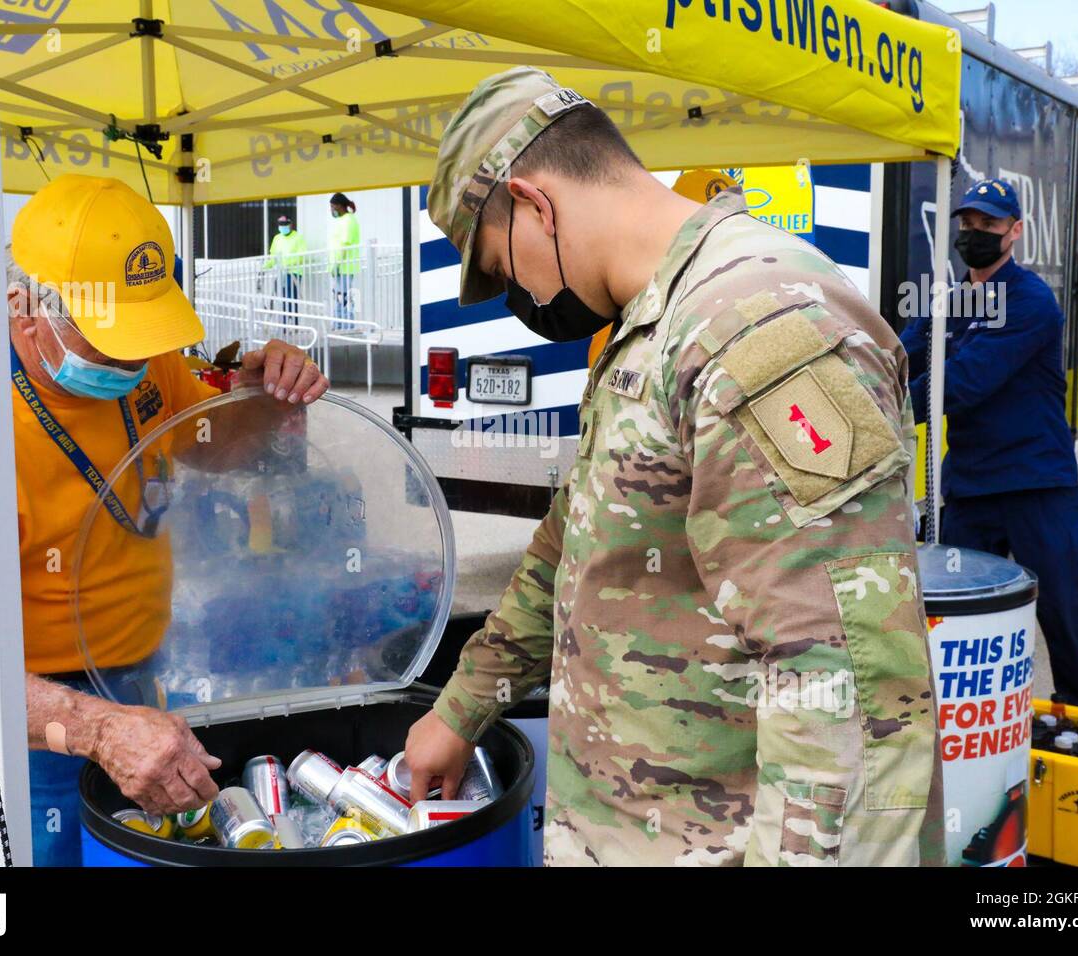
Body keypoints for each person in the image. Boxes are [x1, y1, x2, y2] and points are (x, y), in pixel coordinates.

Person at [402, 67, 945, 866]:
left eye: (499, 266)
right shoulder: (648, 322)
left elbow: (851, 694)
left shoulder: (751, 327)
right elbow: (575, 543)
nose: (514, 295)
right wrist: (462, 708)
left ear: (533, 204)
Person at [0, 174, 330, 866]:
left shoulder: (144, 362)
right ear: (23, 307)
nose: (133, 360)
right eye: (109, 337)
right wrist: (96, 730)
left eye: (143, 338)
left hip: (138, 681)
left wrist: (266, 397)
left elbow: (210, 446)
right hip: (17, 718)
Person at [901, 178, 1078, 710]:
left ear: (1014, 231)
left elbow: (963, 382)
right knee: (957, 620)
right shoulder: (949, 302)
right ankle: (968, 726)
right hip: (971, 488)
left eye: (989, 225)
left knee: (1068, 611)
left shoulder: (1030, 302)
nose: (975, 234)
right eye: (968, 225)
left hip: (1036, 485)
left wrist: (884, 408)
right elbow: (899, 358)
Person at [327, 192, 360, 323]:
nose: (331, 210)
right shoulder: (341, 220)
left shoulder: (349, 220)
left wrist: (337, 264)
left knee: (344, 296)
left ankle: (346, 324)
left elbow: (345, 244)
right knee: (339, 295)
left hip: (345, 266)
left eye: (332, 206)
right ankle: (339, 323)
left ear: (339, 206)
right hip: (339, 266)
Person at [264, 214, 307, 303]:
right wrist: (265, 266)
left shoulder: (298, 237)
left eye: (284, 224)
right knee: (280, 296)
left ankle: (293, 317)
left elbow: (302, 256)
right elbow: (273, 257)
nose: (282, 226)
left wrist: (287, 265)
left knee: (290, 297)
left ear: (291, 224)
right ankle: (284, 317)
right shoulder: (277, 238)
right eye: (281, 224)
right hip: (281, 272)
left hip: (293, 272)